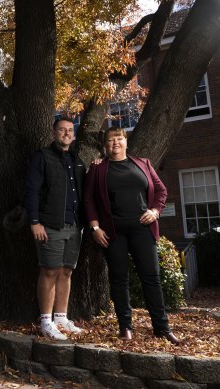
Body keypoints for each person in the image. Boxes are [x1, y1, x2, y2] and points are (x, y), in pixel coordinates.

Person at [83, 126, 181, 345]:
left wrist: (155, 211)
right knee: (119, 280)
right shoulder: (97, 169)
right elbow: (88, 200)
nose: (115, 143)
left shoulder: (143, 163)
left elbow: (161, 191)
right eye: (110, 140)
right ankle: (125, 327)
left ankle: (162, 327)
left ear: (126, 142)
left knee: (152, 278)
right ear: (105, 145)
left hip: (142, 230)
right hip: (113, 232)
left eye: (119, 138)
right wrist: (95, 228)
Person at [25, 118, 86, 340]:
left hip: (74, 225)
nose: (66, 133)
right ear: (54, 132)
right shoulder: (42, 156)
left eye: (70, 130)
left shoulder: (77, 160)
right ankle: (46, 322)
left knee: (66, 271)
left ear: (74, 135)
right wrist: (34, 222)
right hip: (49, 225)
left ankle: (61, 318)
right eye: (62, 130)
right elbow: (31, 190)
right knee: (49, 270)